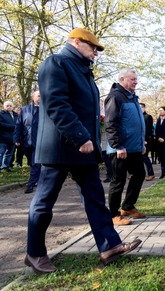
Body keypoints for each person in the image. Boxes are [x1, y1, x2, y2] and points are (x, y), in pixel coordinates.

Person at [26, 28, 141, 274]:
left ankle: (109, 246)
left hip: (84, 149)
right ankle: (34, 253)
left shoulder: (84, 72)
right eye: (93, 48)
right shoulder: (55, 63)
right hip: (59, 148)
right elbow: (56, 104)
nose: (96, 53)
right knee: (44, 203)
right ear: (76, 43)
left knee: (95, 199)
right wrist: (80, 136)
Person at [105, 68, 146, 225]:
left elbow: (136, 123)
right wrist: (117, 145)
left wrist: (141, 143)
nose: (135, 81)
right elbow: (111, 122)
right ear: (122, 79)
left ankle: (128, 206)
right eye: (132, 79)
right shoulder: (115, 97)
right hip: (120, 149)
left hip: (134, 147)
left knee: (140, 174)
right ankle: (113, 214)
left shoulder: (132, 98)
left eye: (136, 79)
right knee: (118, 181)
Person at [13, 90, 41, 193]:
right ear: (33, 97)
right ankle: (38, 178)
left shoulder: (46, 109)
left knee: (36, 162)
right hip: (26, 140)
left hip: (40, 141)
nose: (40, 98)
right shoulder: (25, 109)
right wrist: (16, 138)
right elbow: (19, 125)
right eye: (38, 96)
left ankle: (30, 184)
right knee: (31, 162)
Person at [0, 101, 18, 172]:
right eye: (7, 106)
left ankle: (6, 167)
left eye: (10, 106)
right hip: (3, 138)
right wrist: (13, 127)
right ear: (4, 107)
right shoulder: (1, 114)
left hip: (13, 138)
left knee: (9, 154)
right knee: (1, 153)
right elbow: (1, 124)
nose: (9, 107)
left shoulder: (16, 115)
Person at [140, 102, 155, 181]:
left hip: (146, 141)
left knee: (145, 157)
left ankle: (151, 174)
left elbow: (148, 129)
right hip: (138, 140)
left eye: (141, 107)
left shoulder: (148, 117)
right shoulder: (137, 116)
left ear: (143, 108)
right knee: (138, 158)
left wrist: (145, 140)